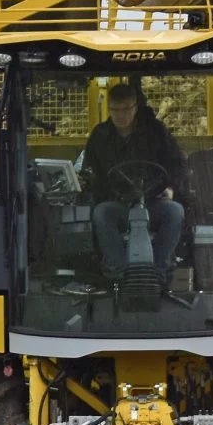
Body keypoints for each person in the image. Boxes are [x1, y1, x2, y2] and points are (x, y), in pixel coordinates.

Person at [81, 81, 187, 285]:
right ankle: (119, 272)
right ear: (109, 109)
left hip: (153, 200)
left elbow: (177, 163)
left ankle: (159, 271)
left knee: (175, 212)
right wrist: (91, 184)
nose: (120, 115)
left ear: (135, 108)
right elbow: (90, 170)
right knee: (101, 214)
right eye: (115, 110)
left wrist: (171, 188)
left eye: (126, 109)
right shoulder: (100, 136)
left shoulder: (155, 132)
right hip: (117, 203)